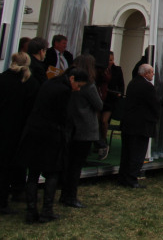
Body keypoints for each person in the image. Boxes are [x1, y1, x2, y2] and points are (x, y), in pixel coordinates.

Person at [16, 67, 88, 224]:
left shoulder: (49, 83)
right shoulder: (63, 91)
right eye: (79, 85)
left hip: (33, 131)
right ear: (72, 79)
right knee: (52, 173)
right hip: (50, 135)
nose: (78, 89)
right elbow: (62, 116)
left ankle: (31, 210)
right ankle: (46, 210)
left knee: (33, 173)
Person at [0, 53, 39, 215]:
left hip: (3, 127)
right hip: (19, 130)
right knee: (13, 166)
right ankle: (15, 193)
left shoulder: (2, 79)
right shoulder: (31, 83)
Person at [61, 57, 103, 208]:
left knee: (69, 162)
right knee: (76, 164)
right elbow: (98, 105)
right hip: (84, 127)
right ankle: (71, 196)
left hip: (69, 125)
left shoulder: (65, 81)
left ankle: (64, 194)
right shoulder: (88, 85)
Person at [118, 64, 160, 189]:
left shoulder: (132, 83)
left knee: (126, 152)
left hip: (128, 122)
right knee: (137, 153)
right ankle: (132, 179)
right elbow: (154, 104)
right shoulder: (147, 87)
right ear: (146, 73)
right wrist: (157, 114)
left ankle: (123, 177)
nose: (153, 74)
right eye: (152, 72)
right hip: (141, 124)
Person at [97, 52, 124, 160]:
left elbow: (121, 84)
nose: (110, 62)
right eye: (108, 60)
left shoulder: (117, 70)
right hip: (100, 97)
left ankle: (102, 142)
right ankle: (97, 141)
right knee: (96, 119)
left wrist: (120, 93)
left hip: (111, 99)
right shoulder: (99, 70)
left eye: (111, 60)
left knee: (104, 120)